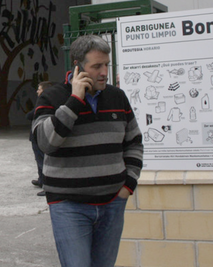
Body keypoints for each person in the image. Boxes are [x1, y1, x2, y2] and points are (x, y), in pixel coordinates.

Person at [33, 35, 143, 267]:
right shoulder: (51, 97)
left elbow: (134, 142)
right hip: (68, 206)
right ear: (78, 67)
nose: (104, 72)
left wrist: (128, 186)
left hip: (113, 202)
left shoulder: (117, 97)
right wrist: (74, 101)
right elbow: (45, 143)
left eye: (107, 65)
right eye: (96, 66)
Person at [25, 81, 54, 197]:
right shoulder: (42, 101)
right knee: (39, 160)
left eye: (39, 89)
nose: (37, 91)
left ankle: (48, 186)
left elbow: (31, 114)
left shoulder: (45, 102)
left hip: (40, 136)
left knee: (43, 161)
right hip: (36, 136)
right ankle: (41, 180)